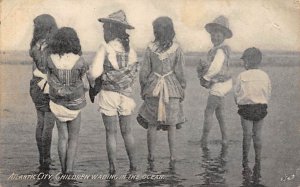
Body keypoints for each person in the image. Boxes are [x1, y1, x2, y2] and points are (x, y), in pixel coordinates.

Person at [89, 10, 138, 175]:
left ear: (111, 29)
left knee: (111, 133)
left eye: (105, 29)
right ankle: (133, 166)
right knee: (127, 132)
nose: (103, 32)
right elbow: (132, 73)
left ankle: (113, 169)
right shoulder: (130, 50)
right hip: (126, 95)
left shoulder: (105, 47)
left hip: (108, 94)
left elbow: (94, 72)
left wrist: (92, 85)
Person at [137, 16, 186, 170]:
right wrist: (182, 88)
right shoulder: (177, 48)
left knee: (152, 124)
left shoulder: (150, 48)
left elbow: (143, 72)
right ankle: (173, 156)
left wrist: (143, 88)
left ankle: (151, 156)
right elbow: (181, 73)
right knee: (171, 125)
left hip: (153, 88)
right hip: (171, 89)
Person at [46, 27, 89, 175]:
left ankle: (63, 171)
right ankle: (69, 170)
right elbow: (86, 85)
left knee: (62, 137)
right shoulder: (80, 60)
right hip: (75, 104)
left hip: (57, 104)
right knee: (73, 138)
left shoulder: (50, 59)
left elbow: (49, 79)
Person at [234, 47, 271, 184]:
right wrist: (262, 102)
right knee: (258, 134)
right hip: (260, 107)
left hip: (246, 108)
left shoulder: (242, 75)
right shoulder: (264, 75)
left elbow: (236, 92)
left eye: (244, 60)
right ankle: (258, 159)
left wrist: (239, 103)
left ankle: (245, 159)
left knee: (247, 134)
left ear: (248, 61)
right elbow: (268, 92)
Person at [197, 15, 233, 148]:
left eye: (218, 34)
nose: (214, 37)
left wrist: (205, 78)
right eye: (213, 34)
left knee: (208, 111)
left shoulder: (221, 50)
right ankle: (225, 138)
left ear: (224, 36)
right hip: (223, 83)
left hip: (220, 83)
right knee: (220, 112)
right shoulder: (215, 49)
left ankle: (204, 140)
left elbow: (215, 67)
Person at [29, 14, 57, 171]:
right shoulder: (52, 45)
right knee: (48, 125)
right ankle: (47, 158)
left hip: (35, 87)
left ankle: (42, 158)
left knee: (40, 123)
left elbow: (35, 69)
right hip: (48, 87)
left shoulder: (35, 45)